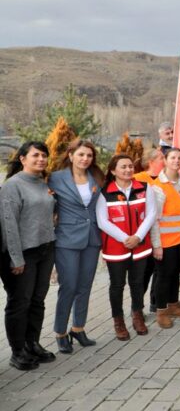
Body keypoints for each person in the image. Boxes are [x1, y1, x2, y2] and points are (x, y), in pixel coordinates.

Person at [0, 142, 57, 370]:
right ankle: (18, 351)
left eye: (44, 155)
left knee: (37, 300)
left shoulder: (43, 184)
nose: (41, 159)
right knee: (19, 302)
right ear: (22, 158)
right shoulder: (12, 186)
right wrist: (16, 258)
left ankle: (32, 343)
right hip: (22, 253)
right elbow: (8, 225)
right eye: (35, 155)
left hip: (45, 249)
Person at [47, 139, 104, 354]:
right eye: (81, 155)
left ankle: (78, 328)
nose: (85, 159)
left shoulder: (96, 177)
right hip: (67, 239)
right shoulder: (55, 178)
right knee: (69, 286)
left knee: (85, 285)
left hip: (91, 238)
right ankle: (60, 333)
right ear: (71, 156)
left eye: (89, 155)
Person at [96, 154, 158, 340]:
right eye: (123, 167)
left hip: (140, 246)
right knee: (117, 285)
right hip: (117, 248)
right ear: (113, 170)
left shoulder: (145, 188)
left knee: (138, 283)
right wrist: (125, 238)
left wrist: (138, 237)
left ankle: (137, 315)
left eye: (130, 166)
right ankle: (118, 320)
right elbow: (102, 221)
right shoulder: (105, 192)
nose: (128, 170)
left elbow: (151, 213)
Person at [153, 148, 180, 328]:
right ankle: (161, 311)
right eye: (173, 158)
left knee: (175, 274)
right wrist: (157, 245)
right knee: (164, 275)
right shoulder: (158, 187)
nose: (176, 161)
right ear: (165, 160)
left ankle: (174, 304)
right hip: (166, 241)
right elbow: (154, 219)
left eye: (179, 157)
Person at [134, 148, 165, 313]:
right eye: (161, 157)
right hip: (144, 233)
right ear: (151, 161)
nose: (165, 160)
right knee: (144, 272)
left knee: (159, 270)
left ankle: (156, 301)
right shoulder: (138, 179)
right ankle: (137, 307)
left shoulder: (165, 179)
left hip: (163, 233)